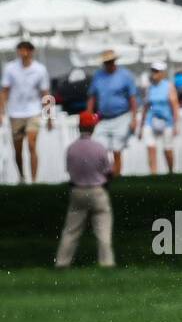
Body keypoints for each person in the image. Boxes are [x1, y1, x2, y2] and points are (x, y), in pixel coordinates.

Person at [54, 112, 115, 269]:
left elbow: (69, 170)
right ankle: (107, 262)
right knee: (103, 230)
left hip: (77, 190)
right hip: (97, 190)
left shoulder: (71, 149)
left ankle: (62, 262)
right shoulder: (99, 148)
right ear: (93, 127)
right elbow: (108, 172)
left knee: (71, 230)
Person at [1, 40, 52, 183]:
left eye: (27, 50)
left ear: (31, 52)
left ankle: (34, 181)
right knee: (17, 149)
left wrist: (49, 116)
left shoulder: (40, 69)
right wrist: (1, 111)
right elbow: (4, 91)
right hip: (15, 113)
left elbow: (45, 93)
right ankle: (22, 177)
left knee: (31, 145)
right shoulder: (10, 68)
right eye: (21, 49)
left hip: (33, 111)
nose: (24, 53)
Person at [86, 50, 137, 177]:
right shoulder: (98, 76)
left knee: (116, 149)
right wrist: (88, 115)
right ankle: (106, 175)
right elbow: (92, 96)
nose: (108, 64)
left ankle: (117, 176)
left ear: (114, 61)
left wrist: (134, 118)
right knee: (99, 147)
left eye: (110, 61)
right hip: (103, 118)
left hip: (121, 116)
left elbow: (132, 98)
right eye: (106, 62)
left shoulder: (125, 75)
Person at [138, 62, 180, 174]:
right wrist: (141, 127)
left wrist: (176, 125)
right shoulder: (149, 88)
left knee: (167, 148)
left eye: (157, 71)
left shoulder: (168, 86)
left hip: (167, 121)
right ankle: (153, 173)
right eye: (153, 71)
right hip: (151, 120)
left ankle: (171, 171)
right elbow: (145, 107)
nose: (154, 73)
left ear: (162, 73)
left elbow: (175, 106)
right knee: (150, 147)